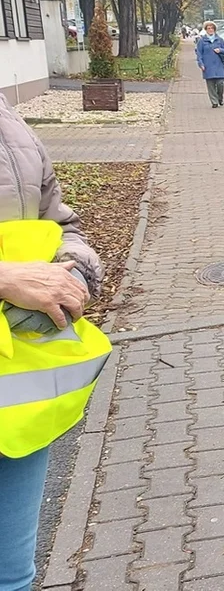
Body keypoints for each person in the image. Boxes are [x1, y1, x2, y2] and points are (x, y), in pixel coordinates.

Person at [0, 93, 105, 591]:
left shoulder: (8, 121)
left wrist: (74, 271)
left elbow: (60, 222)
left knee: (14, 577)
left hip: (13, 400)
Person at [196, 22, 224, 107]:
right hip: (208, 65)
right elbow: (199, 54)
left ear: (214, 29)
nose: (210, 30)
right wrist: (201, 64)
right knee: (210, 85)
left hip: (218, 65)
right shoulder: (202, 41)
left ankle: (220, 98)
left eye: (212, 28)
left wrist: (220, 50)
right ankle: (214, 102)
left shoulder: (219, 40)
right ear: (206, 30)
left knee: (220, 83)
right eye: (208, 28)